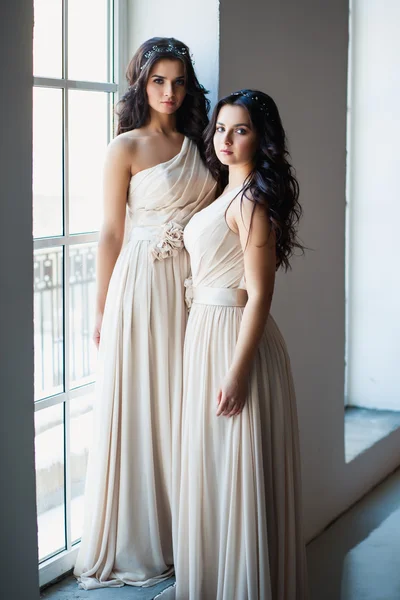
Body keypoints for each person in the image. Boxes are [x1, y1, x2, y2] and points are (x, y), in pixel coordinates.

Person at [74, 37, 216, 590]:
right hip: (140, 283)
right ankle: (143, 536)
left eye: (179, 81)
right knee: (144, 402)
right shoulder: (125, 147)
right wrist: (101, 307)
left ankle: (189, 529)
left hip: (191, 284)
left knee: (184, 401)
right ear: (141, 83)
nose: (170, 92)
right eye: (159, 81)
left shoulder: (201, 144)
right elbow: (110, 233)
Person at [173, 90, 309, 599]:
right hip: (207, 333)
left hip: (236, 339)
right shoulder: (225, 192)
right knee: (214, 470)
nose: (226, 140)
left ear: (261, 137)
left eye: (241, 130)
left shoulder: (251, 199)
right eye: (221, 128)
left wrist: (237, 370)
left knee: (234, 469)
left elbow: (259, 294)